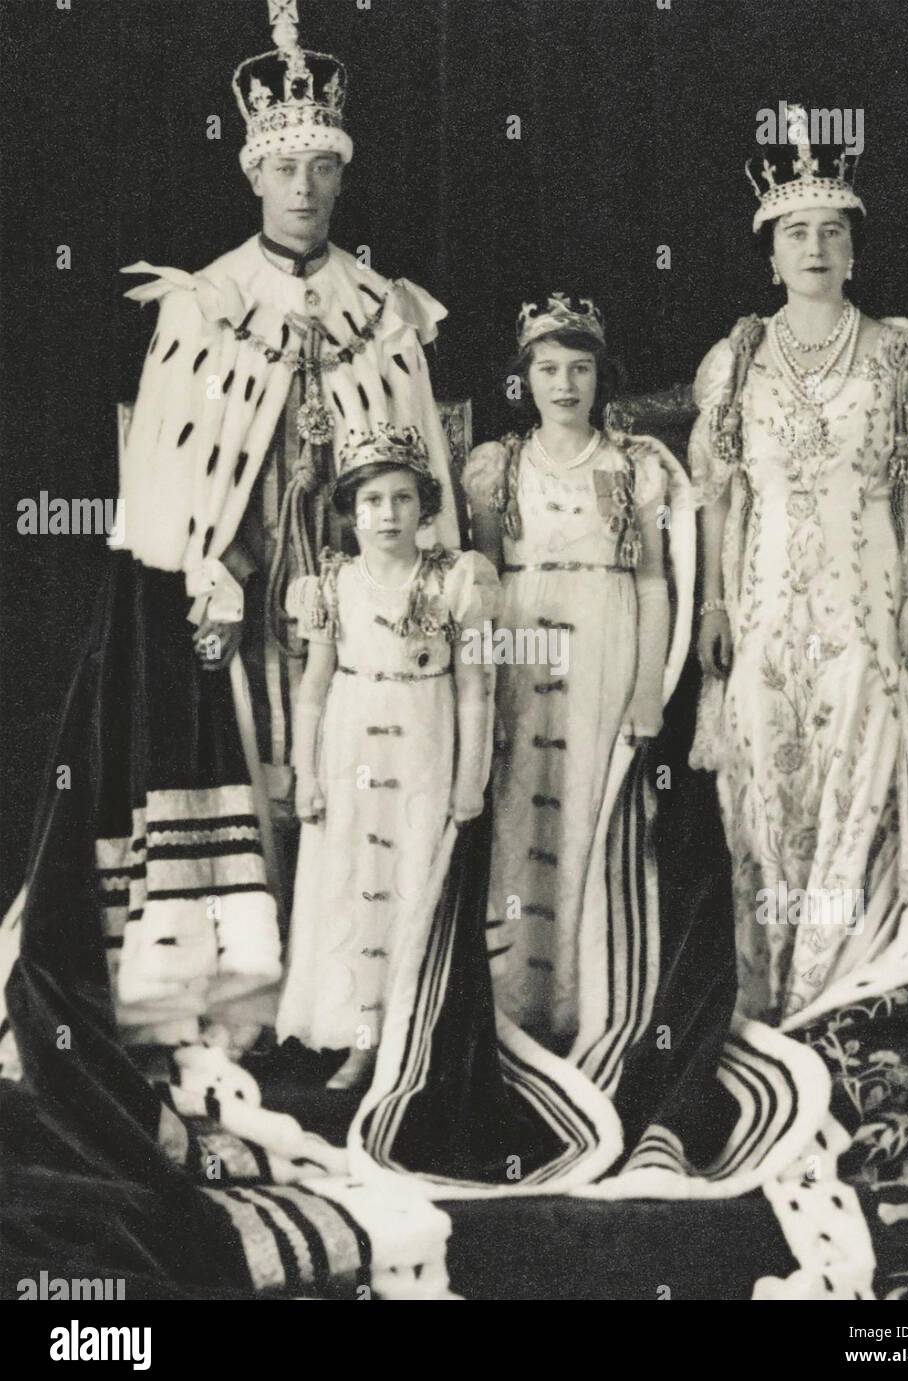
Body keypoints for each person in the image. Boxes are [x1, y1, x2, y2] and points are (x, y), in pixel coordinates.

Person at [0, 2, 459, 1059]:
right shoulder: (201, 307)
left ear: (343, 177)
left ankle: (353, 994)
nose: (303, 188)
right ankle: (249, 988)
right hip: (238, 590)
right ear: (253, 174)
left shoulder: (384, 309)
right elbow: (168, 486)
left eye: (321, 169)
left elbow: (420, 472)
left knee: (349, 772)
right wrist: (204, 572)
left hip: (355, 589)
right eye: (284, 168)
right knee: (256, 763)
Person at [688, 106, 908, 1026]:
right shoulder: (737, 357)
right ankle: (764, 996)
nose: (815, 247)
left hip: (869, 606)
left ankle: (834, 998)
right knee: (766, 787)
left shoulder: (907, 353)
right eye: (796, 233)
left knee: (857, 781)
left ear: (854, 252)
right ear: (771, 252)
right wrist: (712, 605)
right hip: (763, 610)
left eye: (832, 232)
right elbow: (717, 492)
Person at [462, 293, 676, 1049]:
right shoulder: (498, 465)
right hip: (522, 633)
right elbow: (481, 576)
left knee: (591, 804)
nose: (564, 385)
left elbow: (653, 580)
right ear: (525, 379)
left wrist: (648, 686)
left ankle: (591, 1005)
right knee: (520, 807)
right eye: (548, 369)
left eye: (579, 369)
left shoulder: (631, 466)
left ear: (599, 376)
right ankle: (513, 1006)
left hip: (602, 634)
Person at [276, 424, 499, 1086]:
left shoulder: (456, 577)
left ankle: (412, 1034)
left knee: (413, 884)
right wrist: (304, 774)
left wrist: (471, 779)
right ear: (351, 511)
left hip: (423, 744)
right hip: (350, 743)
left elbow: (473, 688)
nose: (388, 515)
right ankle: (359, 1037)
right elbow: (312, 688)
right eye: (372, 501)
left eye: (403, 499)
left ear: (423, 508)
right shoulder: (330, 585)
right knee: (352, 889)